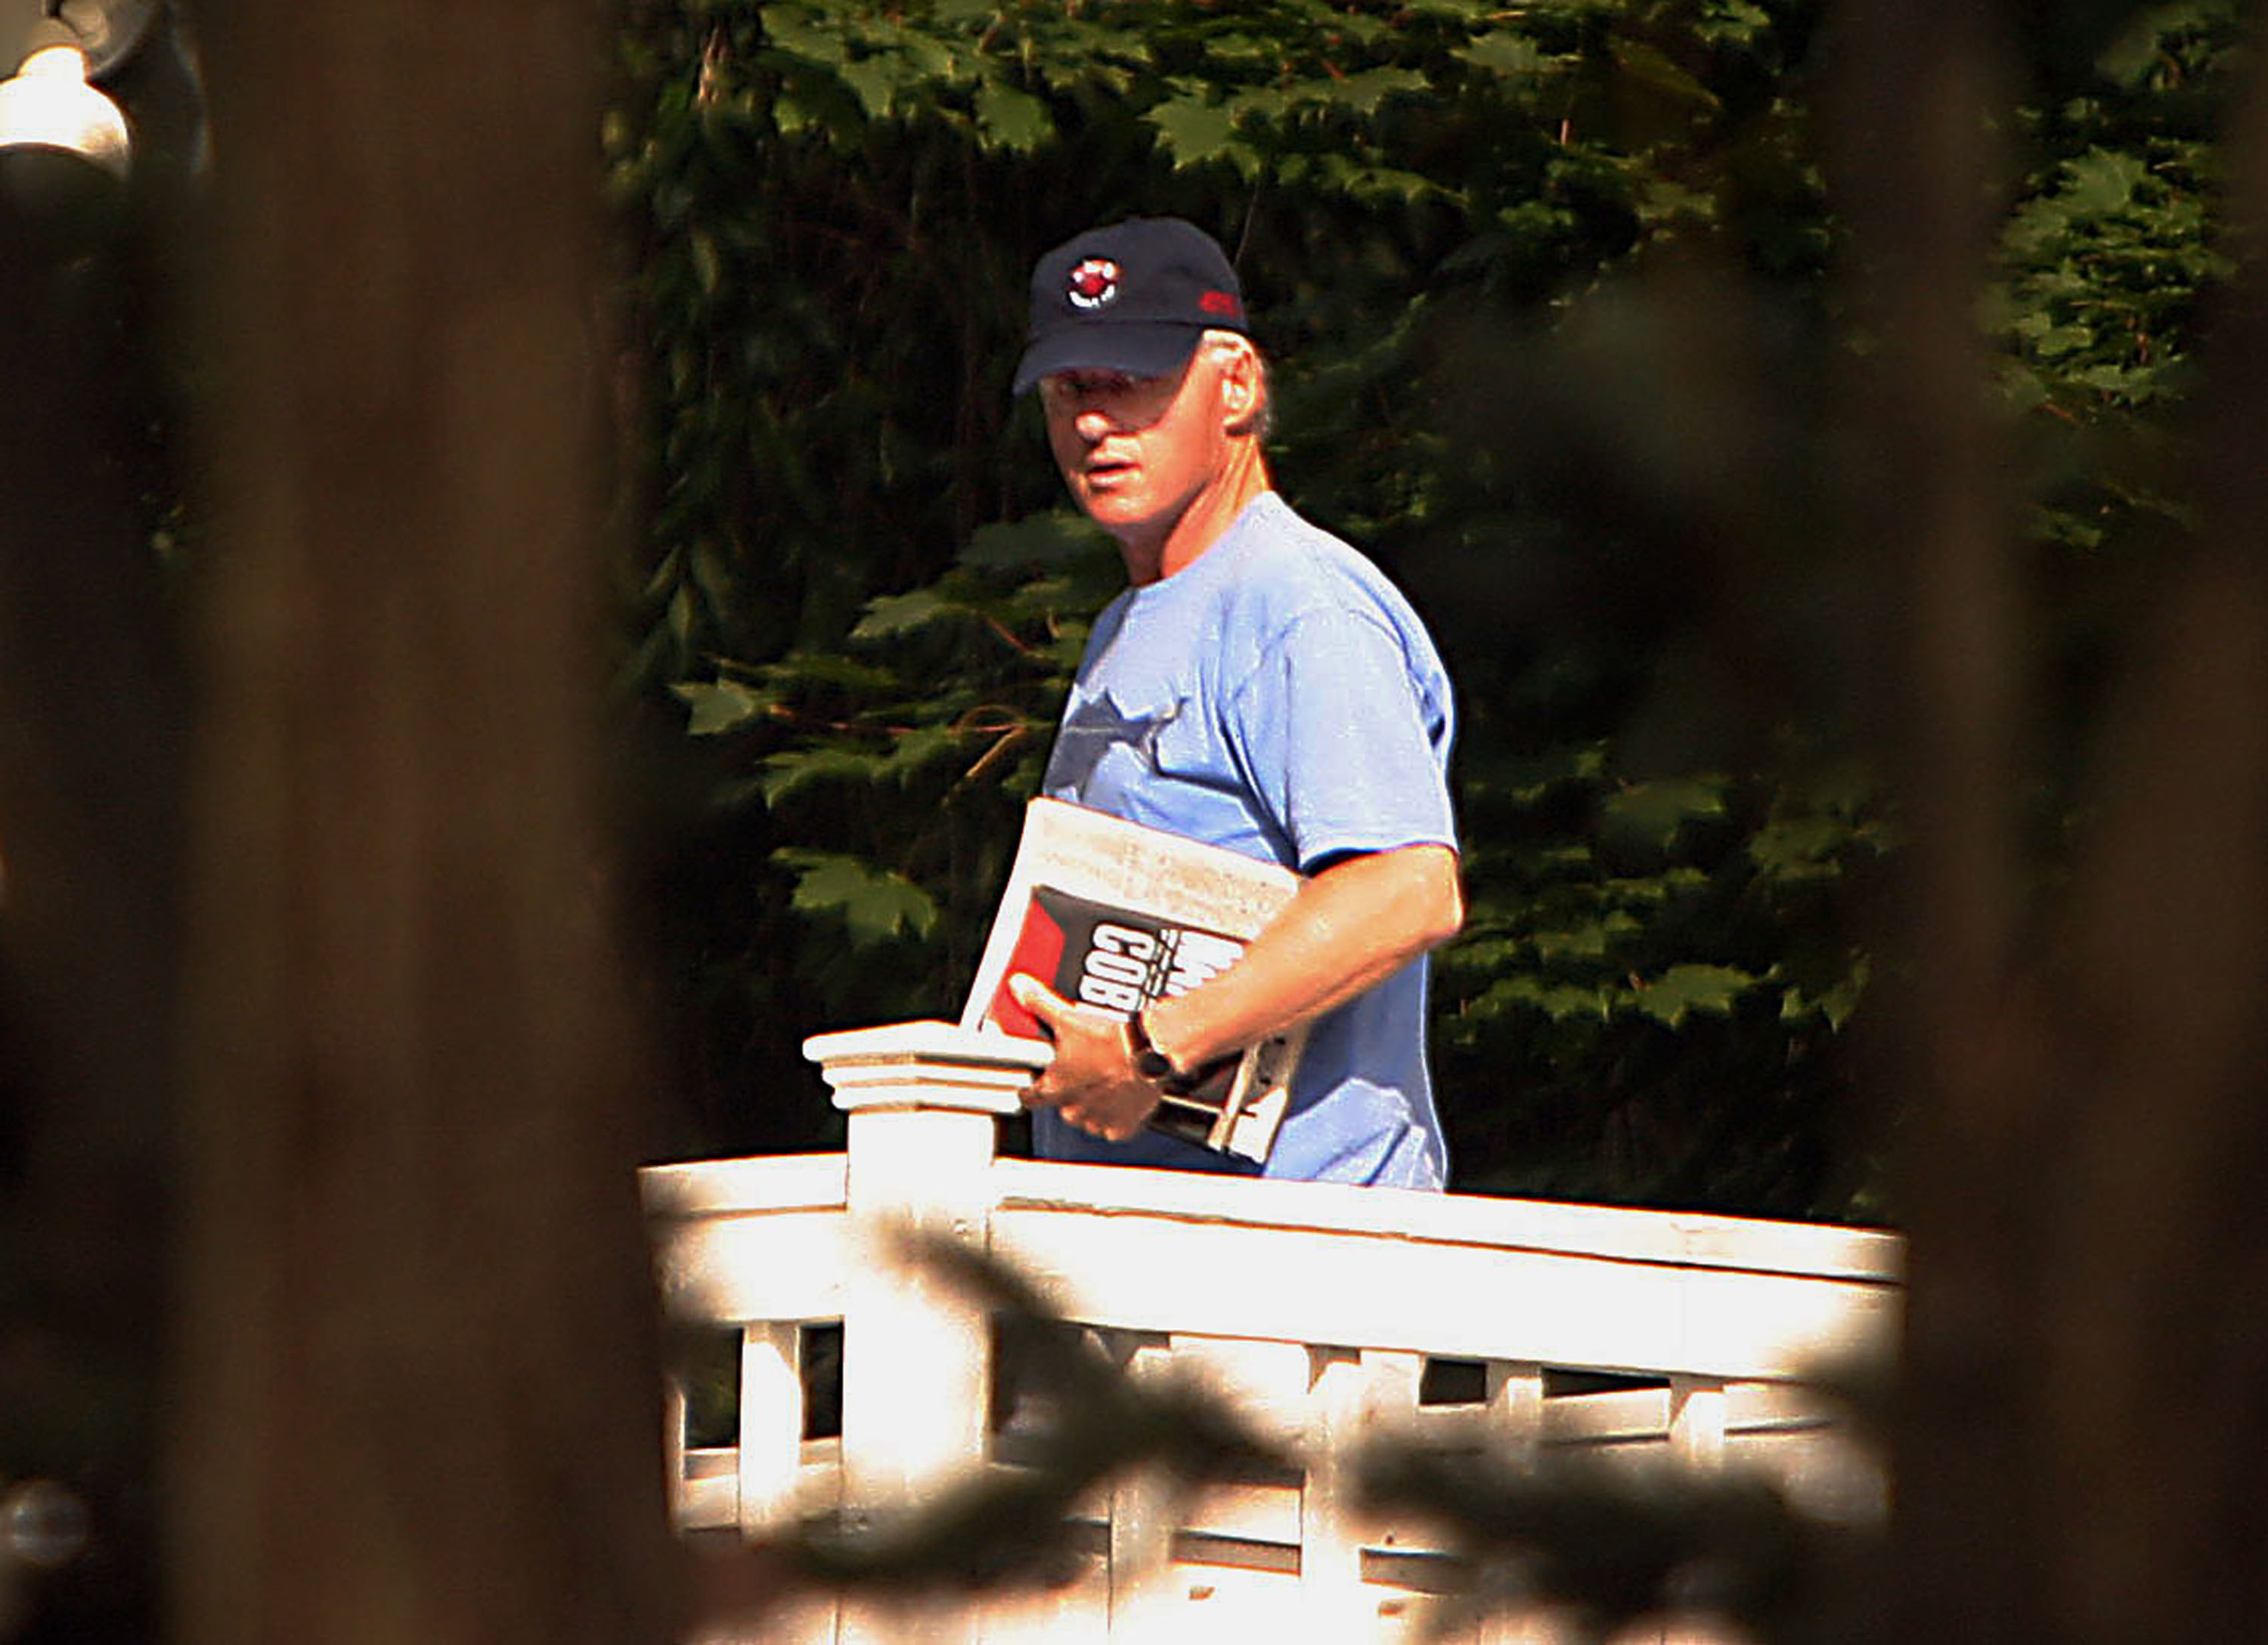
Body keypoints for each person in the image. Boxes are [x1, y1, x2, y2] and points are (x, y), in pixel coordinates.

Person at [1005, 217, 1464, 1190]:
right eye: (1068, 390)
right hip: (1153, 1257)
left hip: (1294, 1263)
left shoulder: (1299, 604)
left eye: (1132, 383)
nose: (1093, 422)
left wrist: (1148, 1051)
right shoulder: (1130, 624)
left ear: (1238, 386)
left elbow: (1406, 889)